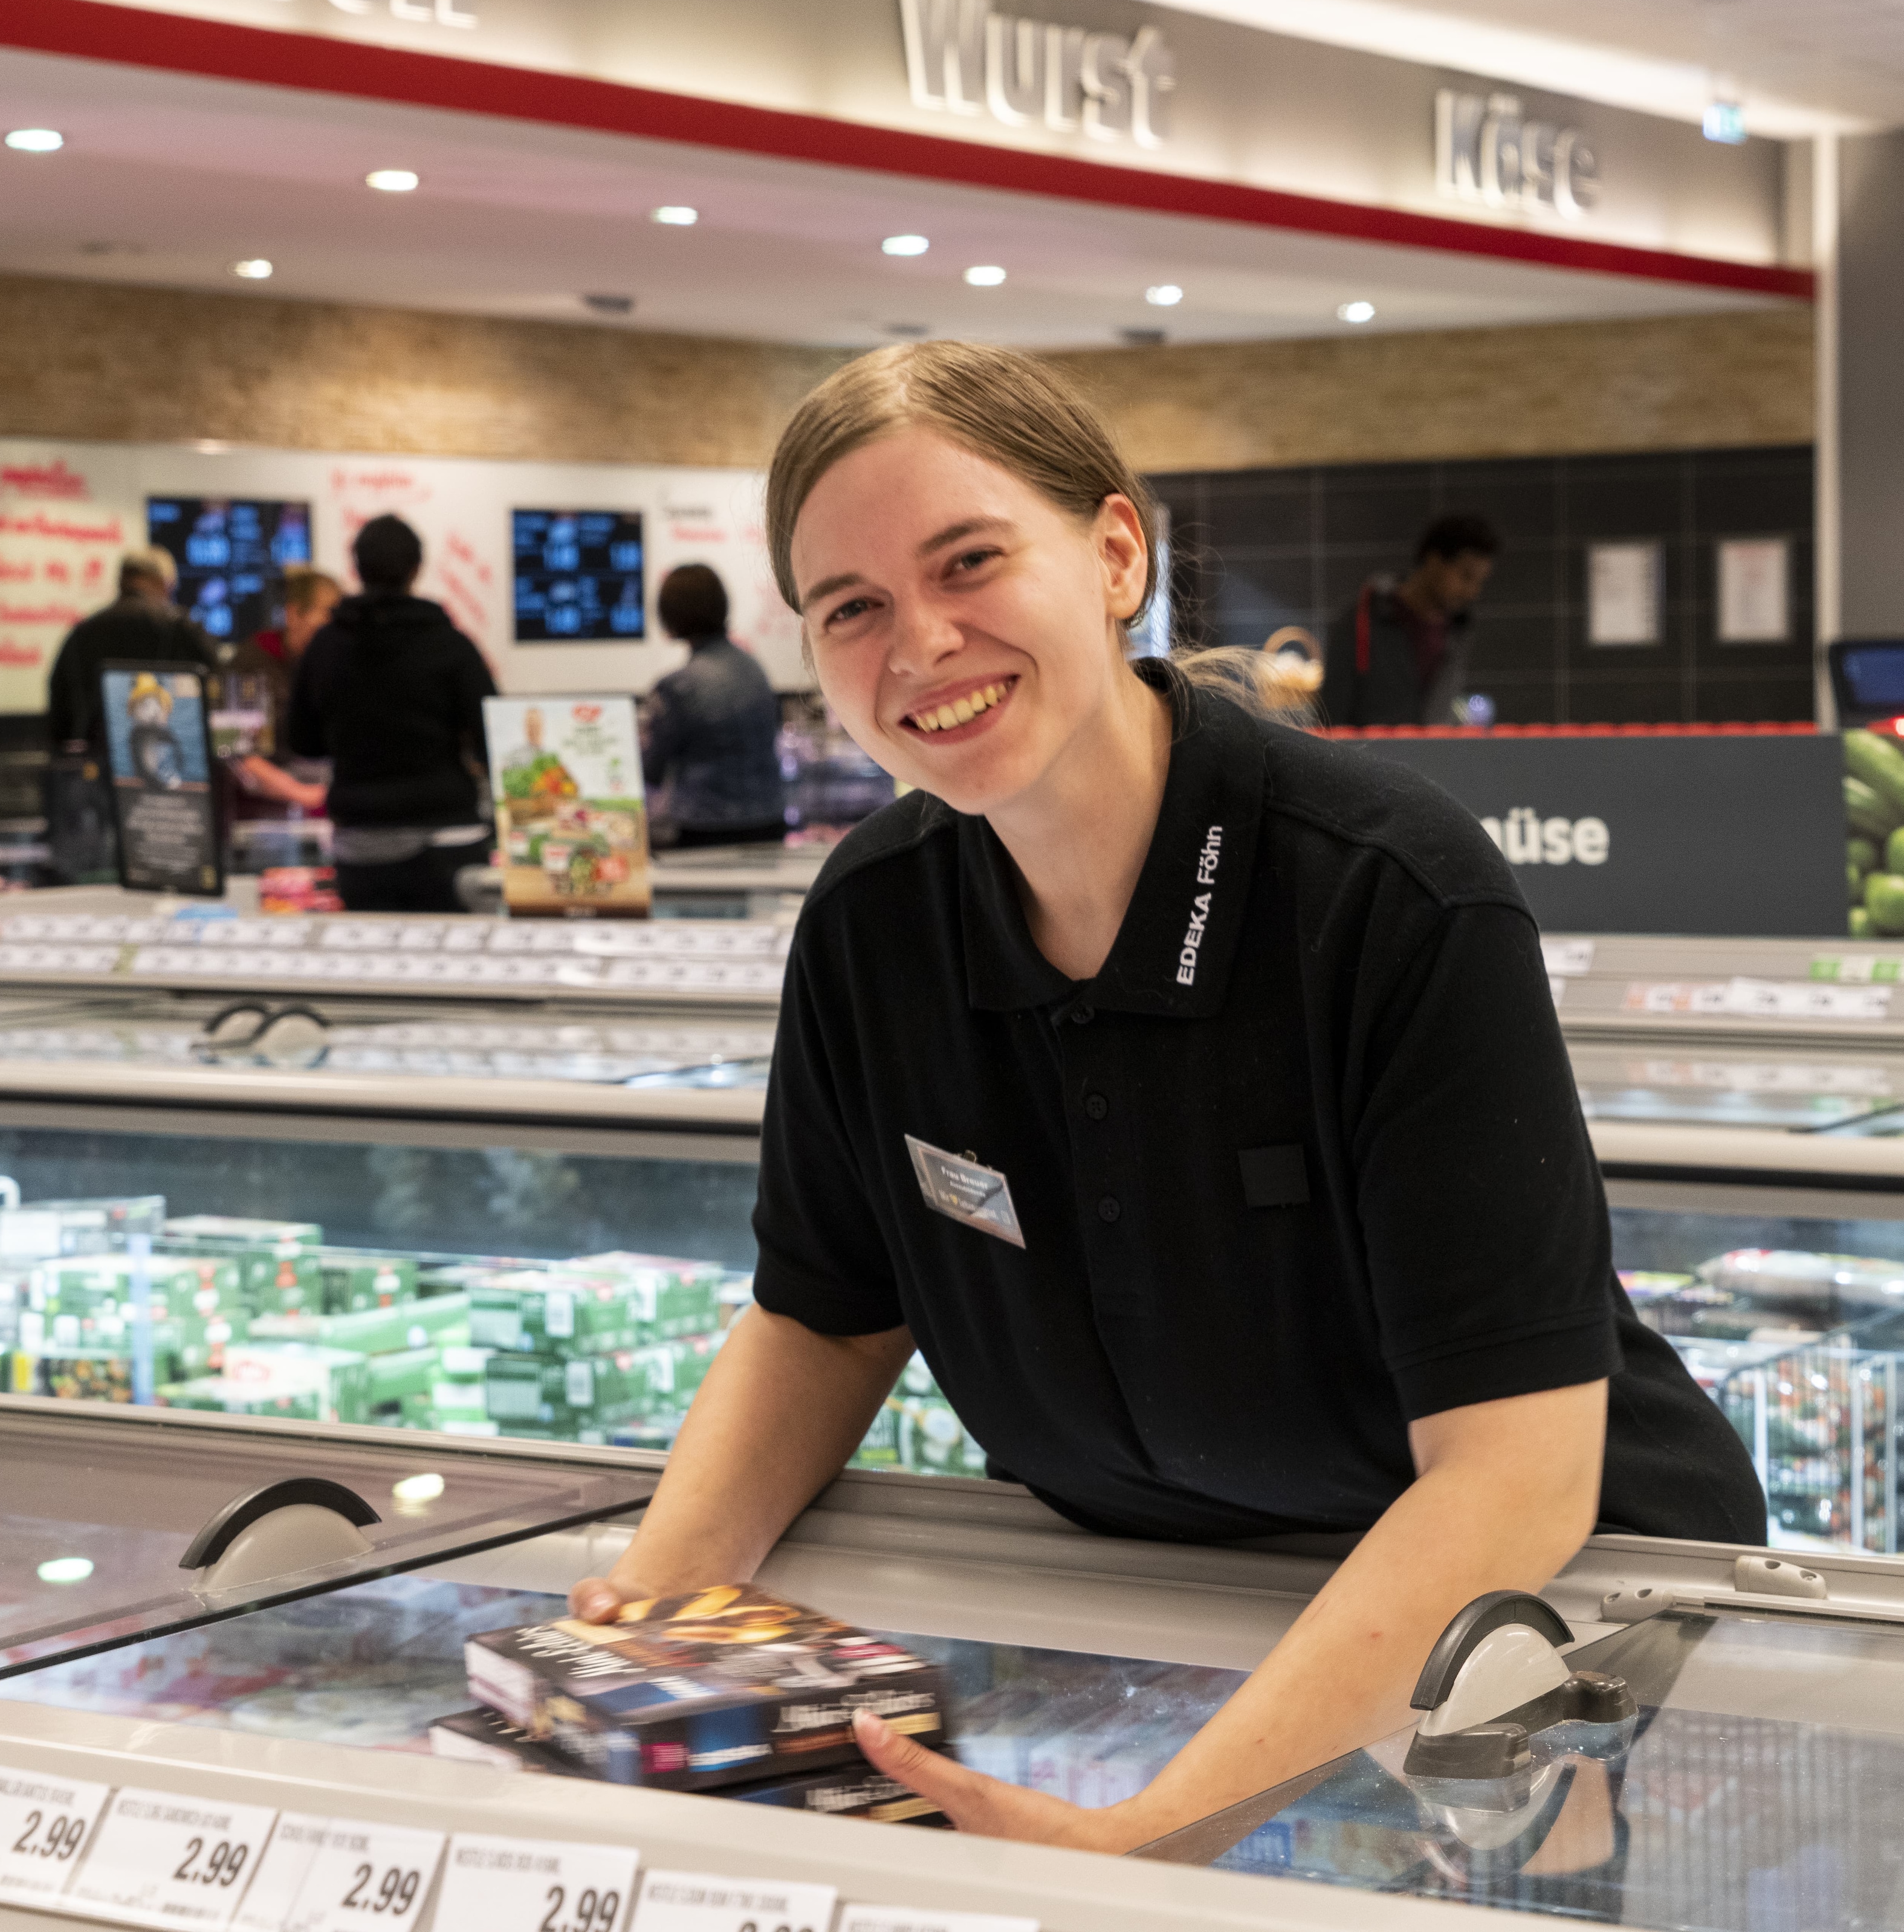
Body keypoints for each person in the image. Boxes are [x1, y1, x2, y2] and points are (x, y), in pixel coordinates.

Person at [567, 342, 1761, 1852]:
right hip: (1156, 1616)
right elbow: (825, 1315)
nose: (919, 640)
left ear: (1116, 554)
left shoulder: (1389, 891)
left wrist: (1160, 1833)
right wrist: (649, 1622)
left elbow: (1514, 1473)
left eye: (969, 560)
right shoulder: (872, 921)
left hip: (1533, 1629)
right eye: (850, 606)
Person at [286, 514, 497, 912]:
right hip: (448, 842)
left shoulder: (326, 647)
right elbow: (494, 740)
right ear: (417, 568)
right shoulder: (450, 645)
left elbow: (303, 741)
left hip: (360, 849)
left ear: (356, 569)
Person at [641, 563, 788, 849]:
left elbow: (652, 770)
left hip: (703, 830)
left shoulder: (675, 687)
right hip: (769, 822)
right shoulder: (756, 670)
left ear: (669, 615)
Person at [1315, 512, 1500, 728]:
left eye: (1480, 582)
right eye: (1465, 576)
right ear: (1434, 561)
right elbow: (1331, 718)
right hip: (1367, 749)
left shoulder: (1459, 628)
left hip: (1434, 749)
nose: (1473, 592)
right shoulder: (1361, 621)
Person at [45, 547, 215, 755]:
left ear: (122, 581)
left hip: (99, 760)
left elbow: (60, 708)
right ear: (163, 583)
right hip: (171, 757)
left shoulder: (82, 633)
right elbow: (216, 687)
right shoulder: (182, 628)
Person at [225, 565, 343, 814]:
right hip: (267, 813)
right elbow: (239, 756)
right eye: (326, 616)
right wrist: (303, 794)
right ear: (293, 614)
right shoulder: (251, 663)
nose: (334, 629)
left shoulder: (334, 662)